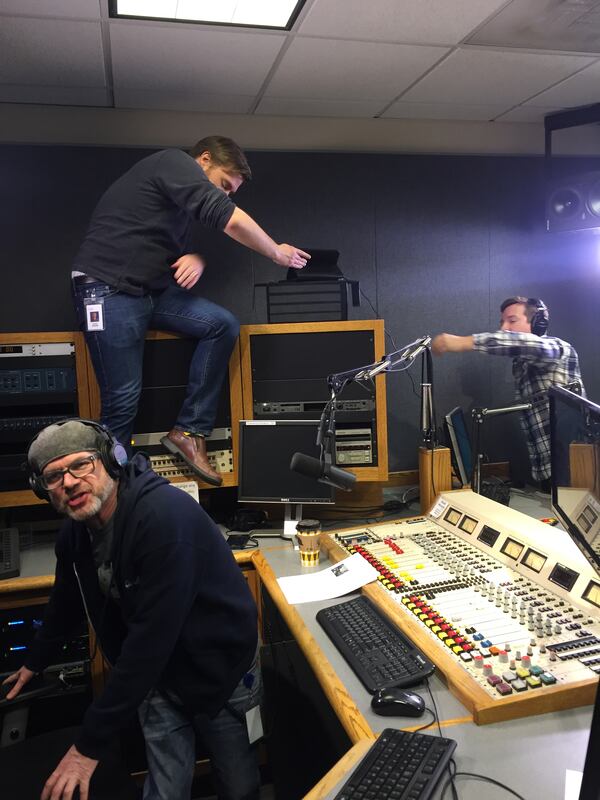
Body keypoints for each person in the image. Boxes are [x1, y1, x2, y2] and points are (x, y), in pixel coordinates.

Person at [2, 419, 260, 800]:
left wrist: (87, 746)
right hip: (156, 677)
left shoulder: (163, 520)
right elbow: (66, 600)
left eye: (81, 465)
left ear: (110, 461)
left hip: (221, 670)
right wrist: (35, 660)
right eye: (55, 476)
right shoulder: (76, 532)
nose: (70, 482)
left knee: (239, 785)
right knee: (165, 790)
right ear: (43, 490)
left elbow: (149, 643)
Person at [71, 135, 310, 486]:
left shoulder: (175, 202)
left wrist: (196, 257)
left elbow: (150, 243)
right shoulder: (173, 161)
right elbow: (227, 219)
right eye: (224, 184)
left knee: (221, 324)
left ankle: (188, 431)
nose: (225, 194)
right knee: (122, 400)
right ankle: (110, 496)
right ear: (204, 159)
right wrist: (276, 252)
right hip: (105, 289)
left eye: (232, 191)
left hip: (146, 291)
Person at [432, 297, 585, 491]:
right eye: (502, 322)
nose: (504, 328)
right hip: (551, 472)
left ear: (539, 322)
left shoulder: (559, 348)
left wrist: (462, 342)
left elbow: (528, 344)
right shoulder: (521, 363)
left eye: (512, 321)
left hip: (573, 469)